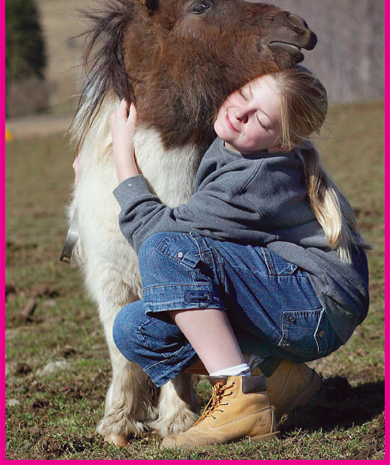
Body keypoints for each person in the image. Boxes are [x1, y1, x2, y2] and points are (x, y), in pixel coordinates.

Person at [105, 67, 369, 448]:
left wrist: (121, 152)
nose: (239, 113)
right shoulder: (235, 144)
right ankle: (273, 375)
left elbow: (157, 235)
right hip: (292, 299)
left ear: (283, 143)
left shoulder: (252, 180)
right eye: (244, 96)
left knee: (167, 250)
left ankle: (239, 396)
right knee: (135, 328)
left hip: (317, 304)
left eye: (259, 118)